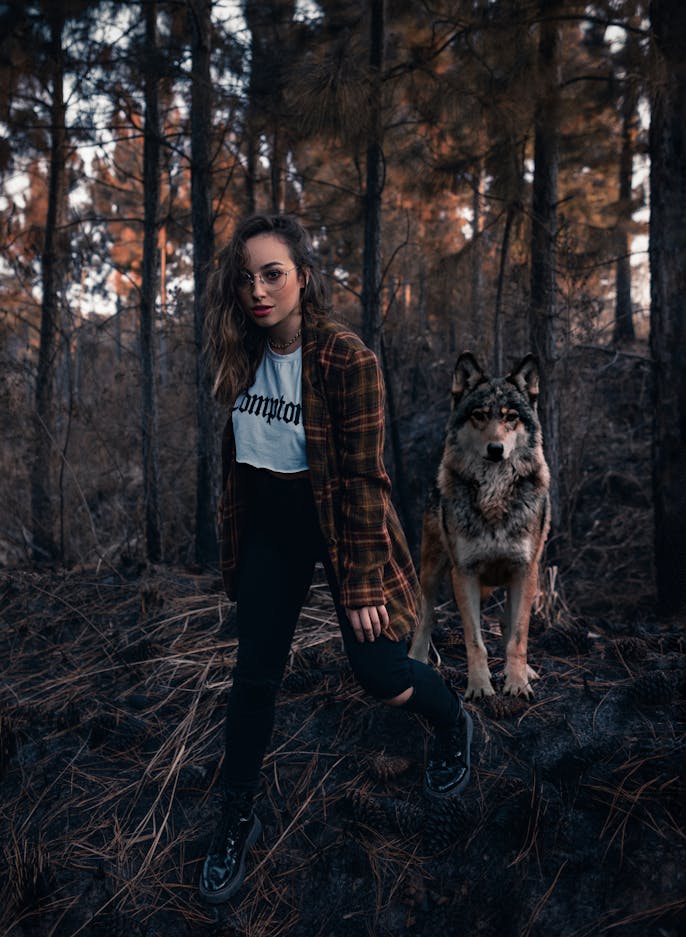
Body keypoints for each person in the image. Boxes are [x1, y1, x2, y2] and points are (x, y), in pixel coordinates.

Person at [199, 213, 472, 904]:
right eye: (247, 277)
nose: (258, 290)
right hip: (270, 530)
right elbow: (238, 470)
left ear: (304, 278)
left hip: (339, 523)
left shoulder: (345, 359)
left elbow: (363, 479)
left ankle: (451, 719)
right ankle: (237, 816)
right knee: (253, 677)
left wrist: (359, 579)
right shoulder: (237, 349)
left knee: (378, 670)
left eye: (273, 274)